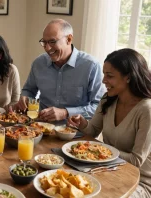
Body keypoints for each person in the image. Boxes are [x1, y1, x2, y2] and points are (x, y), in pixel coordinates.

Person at [67, 49, 151, 197]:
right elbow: (92, 131)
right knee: (69, 185)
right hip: (107, 171)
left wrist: (100, 149)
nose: (104, 80)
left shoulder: (146, 110)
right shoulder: (108, 99)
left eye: (109, 76)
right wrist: (82, 123)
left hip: (138, 182)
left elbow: (136, 160)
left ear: (128, 77)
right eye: (104, 74)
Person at [14, 19, 104, 122]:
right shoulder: (38, 63)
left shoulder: (91, 66)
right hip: (40, 129)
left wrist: (66, 113)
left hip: (76, 134)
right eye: (44, 42)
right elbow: (29, 90)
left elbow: (99, 107)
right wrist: (25, 97)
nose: (47, 48)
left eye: (52, 42)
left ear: (69, 39)